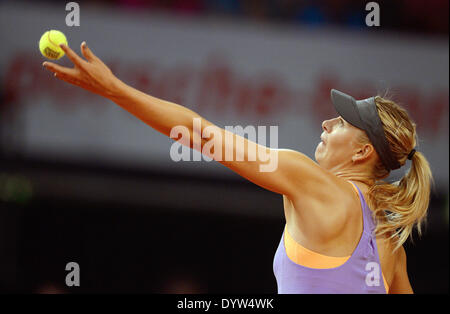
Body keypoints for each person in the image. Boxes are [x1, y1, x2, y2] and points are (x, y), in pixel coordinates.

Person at [42, 42, 432, 294]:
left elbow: (200, 135)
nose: (328, 124)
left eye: (342, 123)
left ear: (363, 152)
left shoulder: (312, 182)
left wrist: (114, 89)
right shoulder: (389, 242)